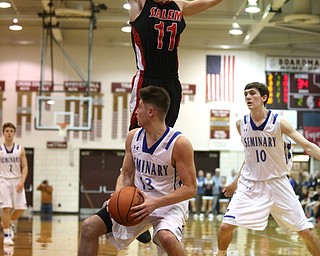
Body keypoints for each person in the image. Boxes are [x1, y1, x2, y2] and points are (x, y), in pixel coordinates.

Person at [78, 86, 197, 256]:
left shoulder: (179, 143)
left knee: (167, 238)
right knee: (89, 227)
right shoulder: (133, 137)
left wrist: (155, 203)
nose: (135, 112)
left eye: (139, 107)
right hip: (137, 202)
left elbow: (190, 188)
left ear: (151, 112)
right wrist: (118, 194)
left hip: (168, 204)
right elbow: (125, 174)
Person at [215, 82, 320, 256]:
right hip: (250, 184)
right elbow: (249, 157)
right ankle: (220, 254)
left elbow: (308, 146)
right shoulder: (241, 124)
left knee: (306, 232)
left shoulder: (279, 123)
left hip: (277, 182)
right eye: (246, 94)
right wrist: (235, 181)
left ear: (264, 98)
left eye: (252, 93)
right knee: (226, 226)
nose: (248, 97)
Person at [128, 0, 224, 130]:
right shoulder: (141, 3)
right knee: (138, 129)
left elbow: (208, 3)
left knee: (166, 130)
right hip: (147, 77)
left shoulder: (179, 5)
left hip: (171, 79)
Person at [0, 122, 28, 246]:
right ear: (3, 133)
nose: (9, 133)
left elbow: (25, 166)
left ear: (14, 133)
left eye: (11, 131)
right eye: (7, 131)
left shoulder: (20, 148)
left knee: (21, 208)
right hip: (3, 180)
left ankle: (8, 222)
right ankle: (6, 235)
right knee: (6, 207)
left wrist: (22, 181)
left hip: (17, 180)